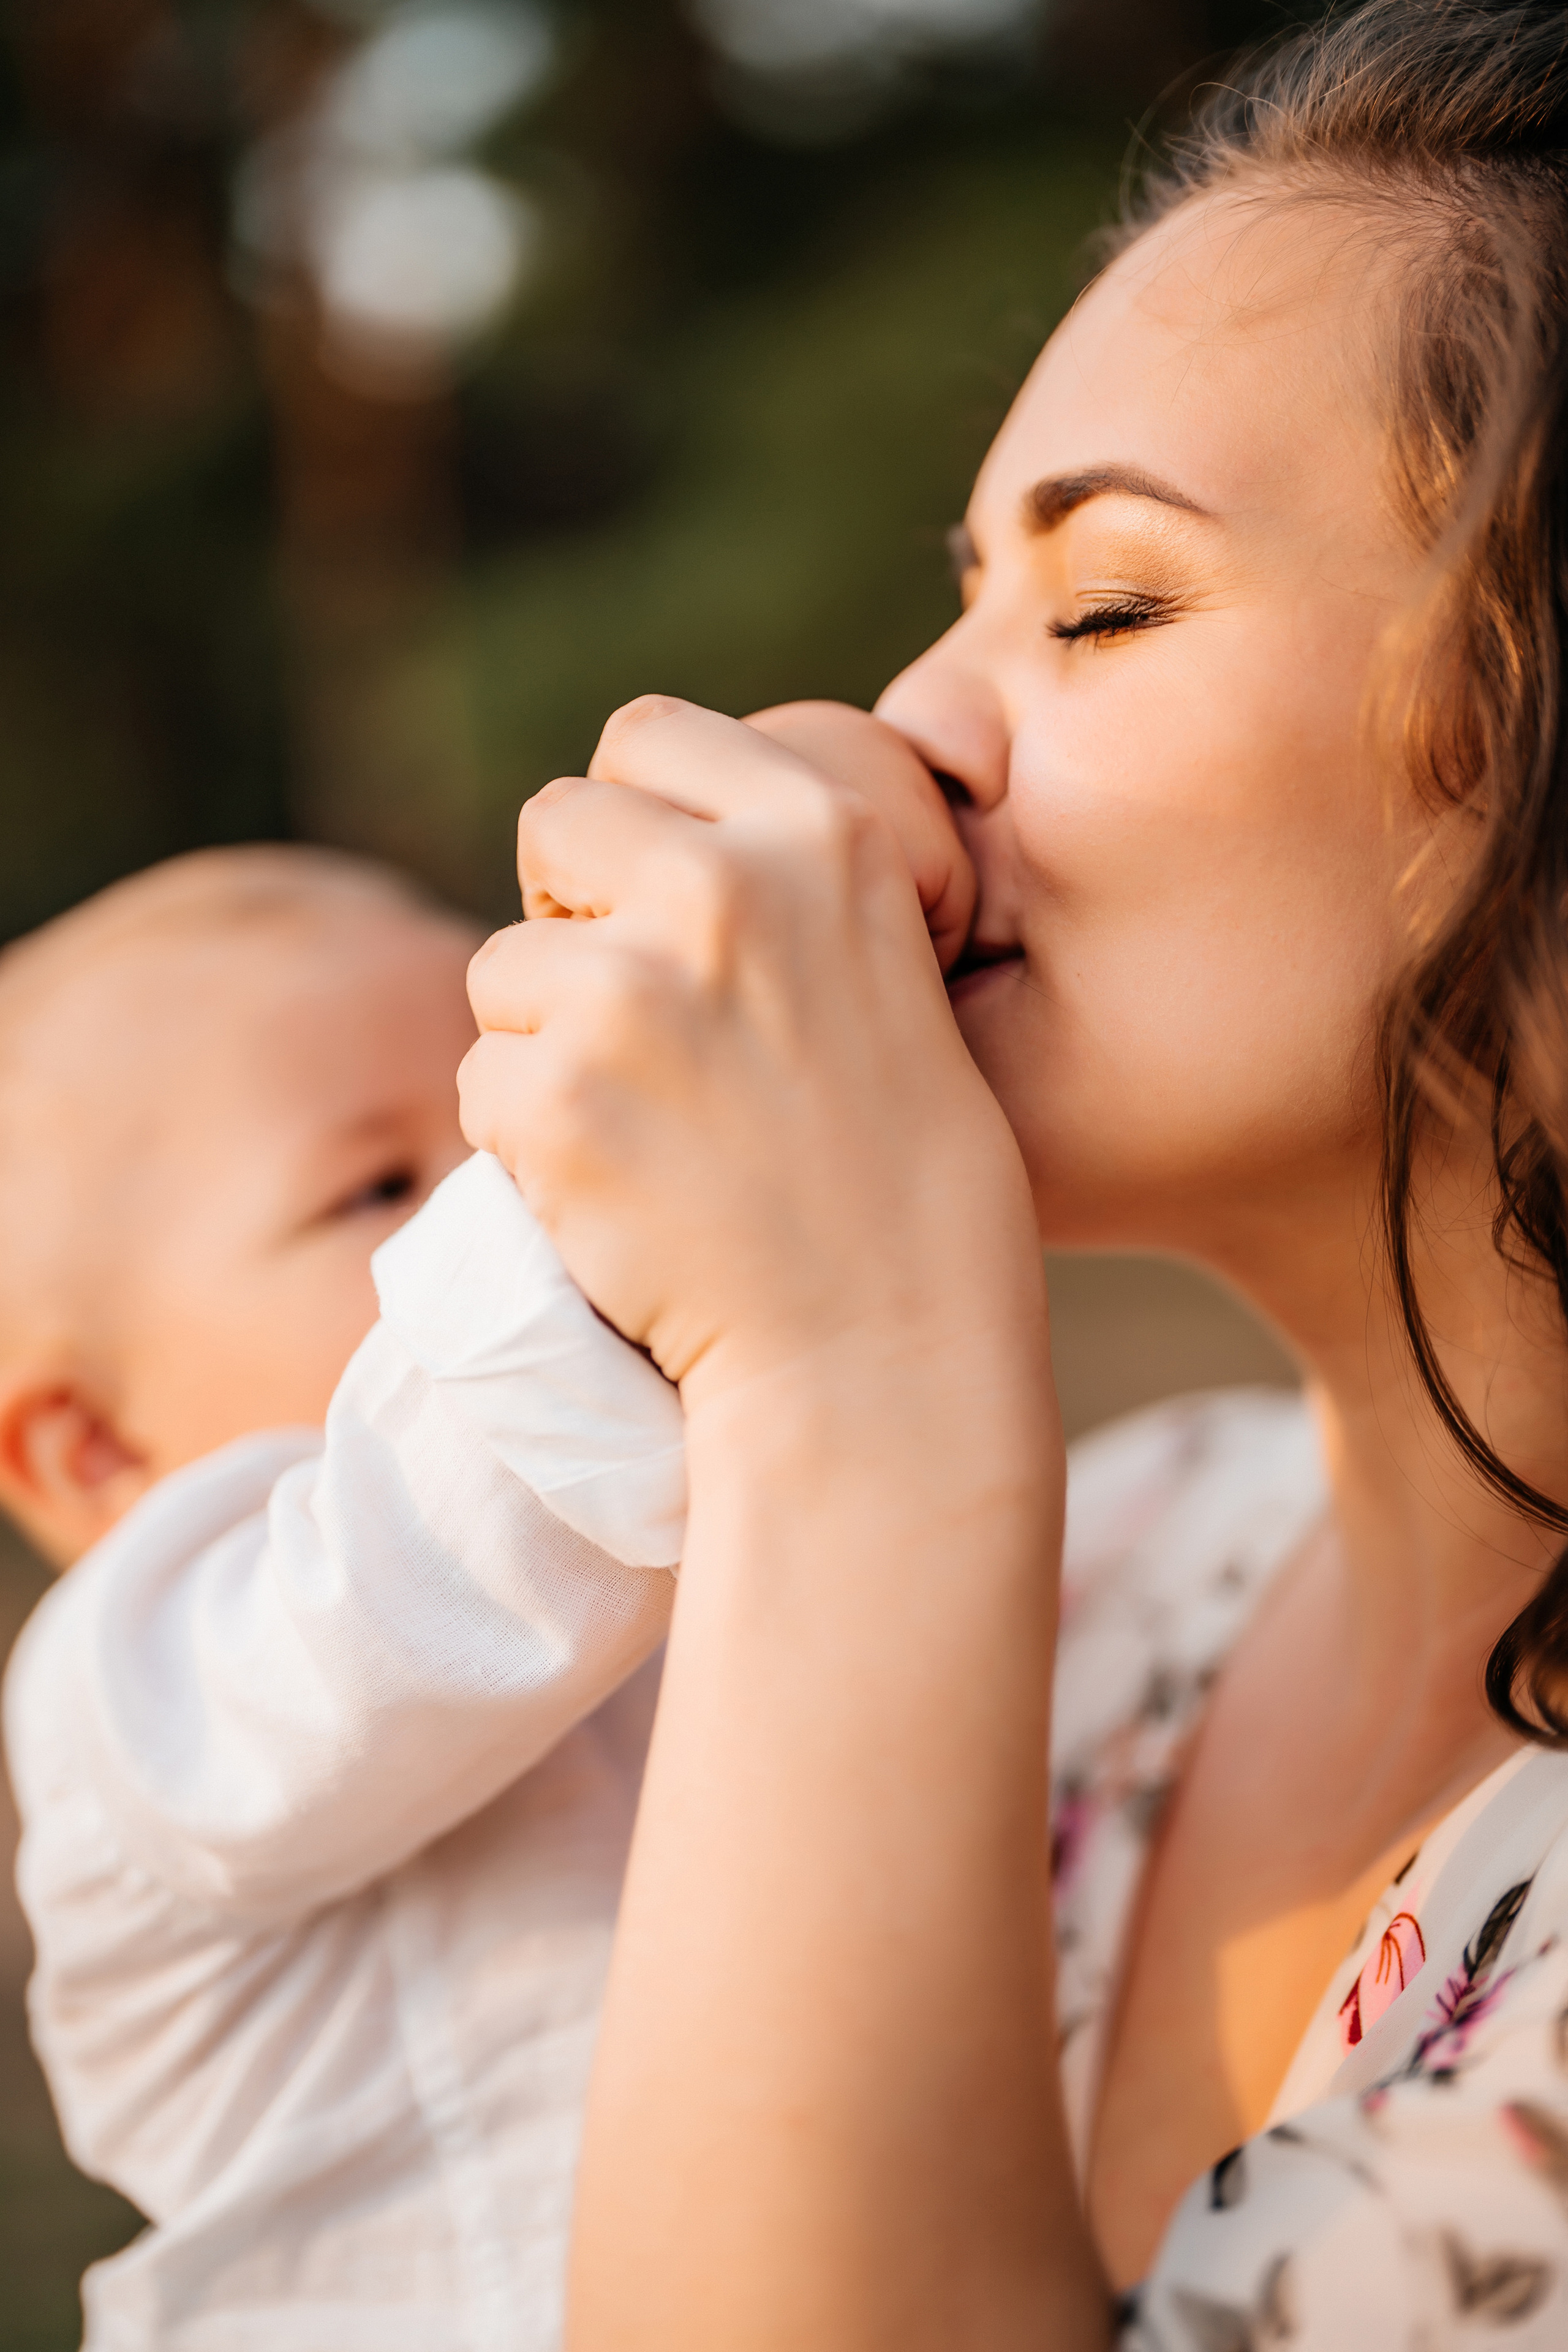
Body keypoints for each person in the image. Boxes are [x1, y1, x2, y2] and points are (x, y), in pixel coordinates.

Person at [454, 4, 1568, 2345]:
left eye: (1104, 605)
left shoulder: (930, 1503)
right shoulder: (1131, 1557)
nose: (898, 735)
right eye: (963, 595)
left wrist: (852, 1374)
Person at [0, 719, 955, 2350]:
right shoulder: (138, 1691)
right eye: (380, 1188)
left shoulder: (645, 1538)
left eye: (495, 1094)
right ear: (93, 1448)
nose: (521, 1157)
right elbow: (433, 1573)